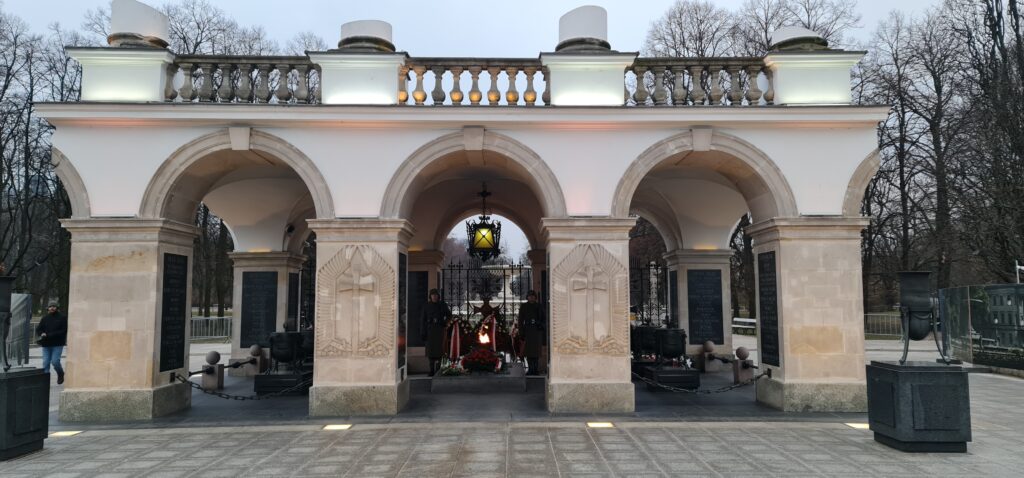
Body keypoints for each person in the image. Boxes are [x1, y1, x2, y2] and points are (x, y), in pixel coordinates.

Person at [420, 289, 451, 376]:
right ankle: (431, 370)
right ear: (430, 296)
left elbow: (449, 315)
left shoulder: (442, 305)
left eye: (436, 295)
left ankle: (438, 370)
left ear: (438, 296)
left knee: (439, 351)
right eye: (433, 295)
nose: (434, 296)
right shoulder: (426, 305)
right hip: (429, 330)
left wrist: (444, 323)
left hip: (439, 330)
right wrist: (423, 332)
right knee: (430, 351)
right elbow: (423, 319)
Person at [36, 301, 68, 384]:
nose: (52, 308)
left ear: (57, 308)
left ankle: (60, 373)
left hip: (57, 344)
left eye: (54, 306)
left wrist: (50, 335)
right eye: (50, 306)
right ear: (48, 308)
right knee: (45, 363)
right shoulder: (45, 318)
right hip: (46, 344)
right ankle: (45, 382)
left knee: (55, 361)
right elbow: (39, 329)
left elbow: (63, 330)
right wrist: (41, 333)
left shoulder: (62, 317)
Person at [517, 290, 546, 376]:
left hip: (537, 331)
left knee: (536, 352)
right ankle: (530, 369)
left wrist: (539, 324)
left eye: (533, 296)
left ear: (535, 297)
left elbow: (544, 318)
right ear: (527, 297)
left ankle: (535, 369)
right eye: (530, 296)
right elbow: (520, 320)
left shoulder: (539, 306)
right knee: (529, 352)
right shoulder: (524, 306)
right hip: (528, 331)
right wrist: (521, 332)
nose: (531, 297)